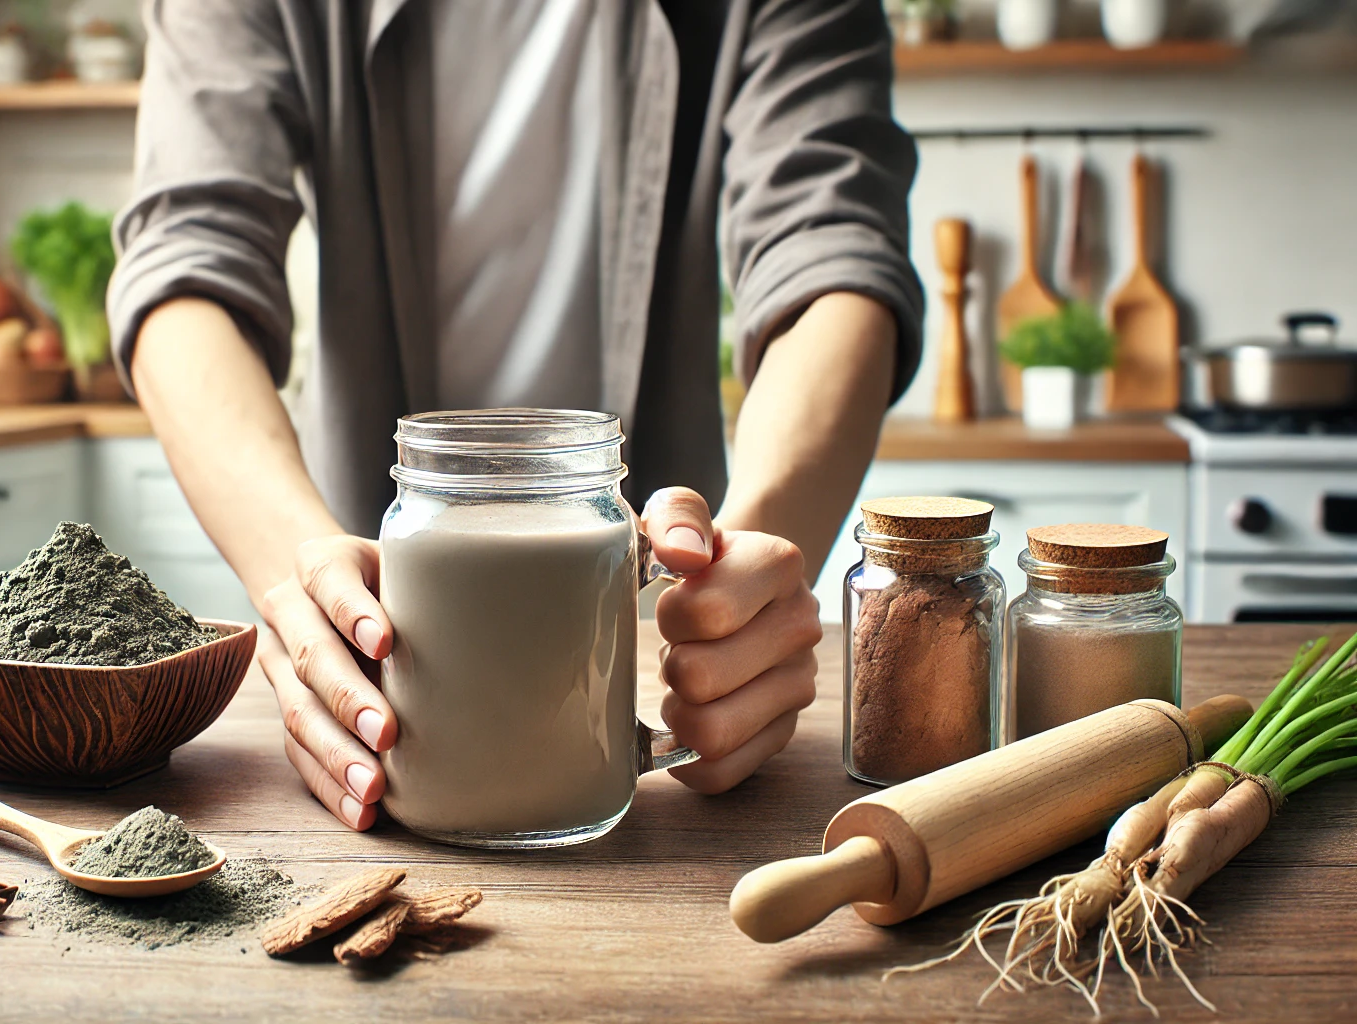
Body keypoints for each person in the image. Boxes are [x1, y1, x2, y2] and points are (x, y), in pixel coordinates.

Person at [108, 0, 922, 830]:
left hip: (648, 616)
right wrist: (301, 575)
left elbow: (833, 247)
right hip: (372, 568)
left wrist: (742, 597)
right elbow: (186, 260)